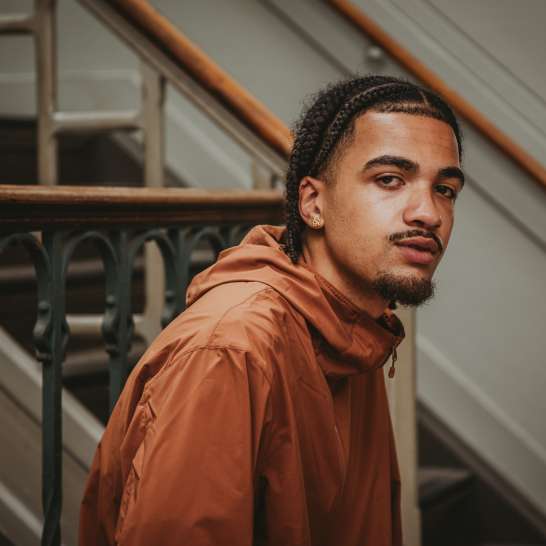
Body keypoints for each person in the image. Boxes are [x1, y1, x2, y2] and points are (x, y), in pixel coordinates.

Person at [79, 74, 464, 546]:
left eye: (445, 189)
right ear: (313, 203)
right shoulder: (229, 351)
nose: (428, 213)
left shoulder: (353, 331)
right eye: (389, 180)